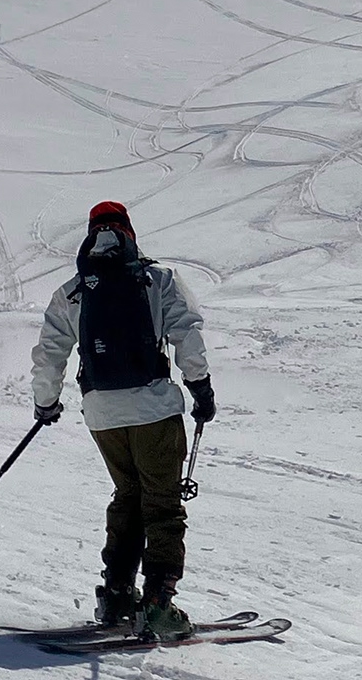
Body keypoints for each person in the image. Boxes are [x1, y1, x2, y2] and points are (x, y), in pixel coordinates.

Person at [31, 201, 215, 639]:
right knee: (162, 503)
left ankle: (116, 595)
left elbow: (49, 352)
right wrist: (200, 387)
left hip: (102, 414)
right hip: (153, 406)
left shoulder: (74, 290)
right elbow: (186, 332)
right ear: (129, 233)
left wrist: (46, 403)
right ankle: (157, 604)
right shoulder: (157, 280)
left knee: (127, 494)